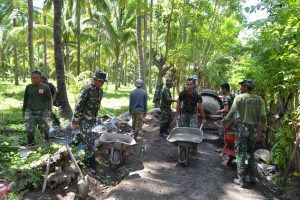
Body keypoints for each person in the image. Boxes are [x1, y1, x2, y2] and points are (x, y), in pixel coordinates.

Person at [224, 79, 267, 188]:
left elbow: (231, 112)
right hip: (254, 130)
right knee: (251, 153)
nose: (240, 88)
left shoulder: (239, 98)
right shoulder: (260, 100)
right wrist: (262, 131)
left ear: (246, 87)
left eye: (242, 86)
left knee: (240, 153)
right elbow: (263, 117)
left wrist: (226, 120)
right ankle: (252, 178)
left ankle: (241, 180)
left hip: (242, 129)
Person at [71, 70, 107, 174]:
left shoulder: (100, 91)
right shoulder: (86, 89)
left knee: (86, 139)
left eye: (103, 81)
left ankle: (81, 156)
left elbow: (96, 107)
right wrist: (74, 121)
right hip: (84, 121)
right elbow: (78, 106)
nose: (102, 83)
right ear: (94, 79)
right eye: (100, 81)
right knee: (90, 141)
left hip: (92, 120)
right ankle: (92, 164)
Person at [22, 70, 52, 146]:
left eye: (37, 78)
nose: (35, 79)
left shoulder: (45, 87)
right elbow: (25, 99)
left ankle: (47, 139)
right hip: (30, 111)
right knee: (29, 128)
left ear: (40, 78)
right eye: (33, 78)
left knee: (44, 127)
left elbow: (49, 99)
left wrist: (49, 110)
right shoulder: (29, 87)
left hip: (42, 111)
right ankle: (31, 143)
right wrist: (24, 110)